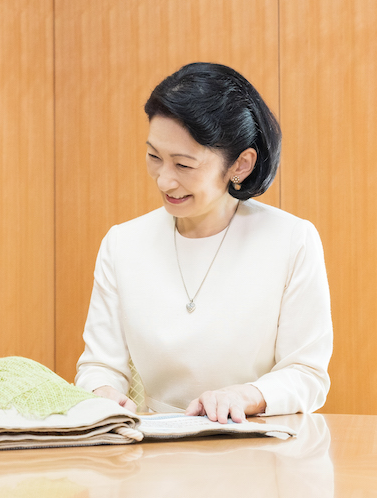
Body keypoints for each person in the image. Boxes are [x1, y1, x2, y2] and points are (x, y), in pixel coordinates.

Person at [75, 62, 333, 424]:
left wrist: (246, 396)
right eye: (154, 157)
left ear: (240, 165)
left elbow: (307, 374)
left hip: (256, 450)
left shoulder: (291, 240)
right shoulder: (123, 244)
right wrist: (101, 391)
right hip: (153, 454)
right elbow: (100, 365)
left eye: (183, 165)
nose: (164, 181)